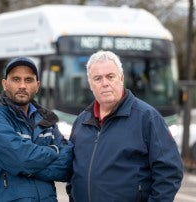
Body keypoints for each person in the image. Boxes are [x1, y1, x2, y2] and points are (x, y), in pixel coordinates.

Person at [68, 50, 184, 201]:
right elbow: (73, 172)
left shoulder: (148, 118)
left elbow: (169, 173)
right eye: (97, 78)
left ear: (121, 78)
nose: (105, 83)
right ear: (90, 84)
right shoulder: (81, 121)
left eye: (110, 76)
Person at [0, 57, 73, 201]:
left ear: (37, 85)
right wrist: (53, 150)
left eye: (28, 80)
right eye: (16, 79)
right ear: (5, 84)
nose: (22, 85)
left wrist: (26, 168)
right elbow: (21, 160)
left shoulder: (46, 120)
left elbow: (66, 166)